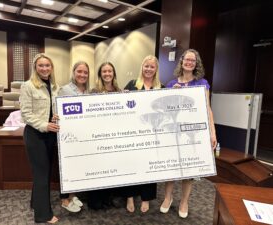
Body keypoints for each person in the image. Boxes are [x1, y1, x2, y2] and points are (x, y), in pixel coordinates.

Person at [160, 49, 217, 218]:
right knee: (171, 166)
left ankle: (184, 201)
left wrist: (212, 133)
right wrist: (173, 94)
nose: (189, 62)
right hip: (174, 132)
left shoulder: (202, 84)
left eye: (193, 60)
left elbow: (207, 109)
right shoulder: (171, 84)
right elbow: (165, 110)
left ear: (196, 64)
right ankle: (168, 197)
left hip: (193, 132)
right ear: (182, 61)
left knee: (189, 168)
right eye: (187, 59)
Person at [20, 53, 59, 224]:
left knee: (43, 173)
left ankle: (36, 203)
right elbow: (26, 114)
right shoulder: (27, 86)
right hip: (35, 135)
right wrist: (44, 125)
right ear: (35, 68)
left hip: (51, 135)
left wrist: (56, 117)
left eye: (47, 65)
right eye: (41, 66)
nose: (44, 68)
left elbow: (53, 109)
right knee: (42, 175)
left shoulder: (54, 85)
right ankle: (43, 215)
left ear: (51, 68)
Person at [123, 55, 165, 213]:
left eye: (151, 67)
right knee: (132, 165)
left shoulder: (161, 87)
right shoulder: (132, 84)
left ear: (156, 69)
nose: (148, 69)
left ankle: (146, 198)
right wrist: (123, 97)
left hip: (153, 134)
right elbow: (124, 108)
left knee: (149, 166)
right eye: (146, 66)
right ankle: (130, 196)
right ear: (142, 67)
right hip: (134, 133)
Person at [87, 62, 122, 210]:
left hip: (115, 136)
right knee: (100, 168)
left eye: (110, 71)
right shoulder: (94, 92)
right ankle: (98, 198)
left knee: (113, 168)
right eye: (104, 71)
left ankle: (109, 197)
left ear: (114, 73)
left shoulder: (120, 91)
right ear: (100, 74)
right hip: (99, 137)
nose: (107, 74)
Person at [58, 61, 90, 212]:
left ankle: (72, 195)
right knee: (67, 167)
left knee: (77, 166)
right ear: (73, 72)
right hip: (68, 137)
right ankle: (65, 200)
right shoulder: (65, 90)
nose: (82, 75)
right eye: (79, 71)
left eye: (85, 72)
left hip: (83, 135)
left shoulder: (87, 91)